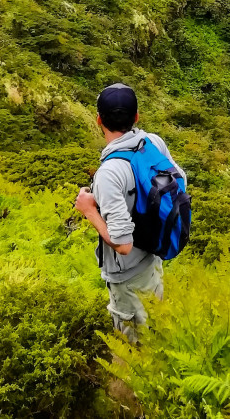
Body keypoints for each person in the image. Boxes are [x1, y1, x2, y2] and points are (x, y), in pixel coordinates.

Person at [74, 83, 186, 340]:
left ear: (98, 120)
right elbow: (180, 182)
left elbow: (123, 245)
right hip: (153, 259)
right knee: (157, 329)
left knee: (137, 351)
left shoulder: (110, 173)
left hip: (128, 277)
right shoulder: (153, 142)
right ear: (136, 117)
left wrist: (89, 210)